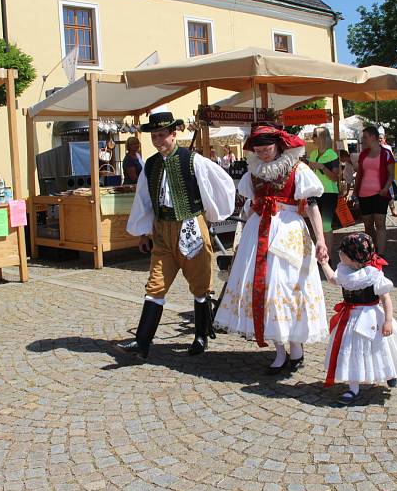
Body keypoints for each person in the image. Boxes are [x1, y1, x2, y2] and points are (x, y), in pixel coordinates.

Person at [118, 112, 236, 360]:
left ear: (174, 134)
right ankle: (142, 342)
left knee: (200, 284)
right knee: (155, 284)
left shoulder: (193, 160)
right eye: (154, 136)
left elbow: (222, 184)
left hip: (191, 225)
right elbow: (144, 200)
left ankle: (201, 335)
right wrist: (143, 233)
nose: (158, 140)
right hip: (162, 230)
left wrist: (211, 213)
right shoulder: (150, 165)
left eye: (162, 135)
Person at [214, 123, 329, 373]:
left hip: (289, 233)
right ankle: (279, 349)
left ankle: (296, 347)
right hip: (259, 232)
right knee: (265, 290)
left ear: (279, 145)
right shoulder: (252, 173)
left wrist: (320, 238)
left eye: (267, 148)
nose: (264, 153)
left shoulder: (298, 169)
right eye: (259, 150)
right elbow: (250, 204)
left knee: (289, 287)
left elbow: (311, 205)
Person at [319, 232, 397, 406]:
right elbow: (334, 280)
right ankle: (353, 387)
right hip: (349, 319)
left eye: (343, 253)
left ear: (356, 259)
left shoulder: (374, 275)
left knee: (380, 348)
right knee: (350, 350)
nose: (339, 254)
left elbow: (386, 298)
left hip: (371, 317)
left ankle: (390, 373)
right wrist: (324, 263)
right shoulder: (345, 270)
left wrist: (388, 320)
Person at [355, 126, 395, 256]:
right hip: (364, 193)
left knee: (380, 223)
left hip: (380, 193)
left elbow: (391, 175)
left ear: (373, 137)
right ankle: (373, 249)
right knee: (367, 224)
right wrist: (355, 191)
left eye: (365, 137)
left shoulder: (386, 153)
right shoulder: (363, 154)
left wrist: (385, 188)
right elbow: (360, 174)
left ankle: (381, 254)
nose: (363, 140)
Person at [306, 127, 340, 260]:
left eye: (315, 135)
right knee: (316, 225)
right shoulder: (313, 154)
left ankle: (327, 256)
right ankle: (319, 253)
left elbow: (334, 177)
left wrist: (322, 167)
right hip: (315, 192)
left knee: (326, 225)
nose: (312, 138)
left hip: (329, 193)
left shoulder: (332, 154)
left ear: (322, 137)